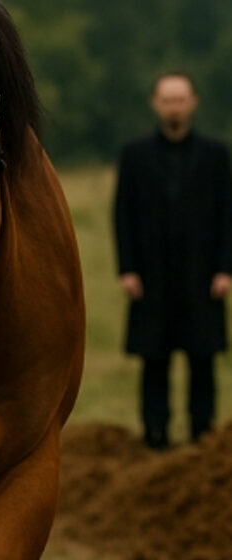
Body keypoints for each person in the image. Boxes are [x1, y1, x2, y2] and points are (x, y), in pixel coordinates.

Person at [114, 72, 232, 449]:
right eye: (167, 100)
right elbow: (123, 215)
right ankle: (155, 434)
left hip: (203, 275)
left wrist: (225, 268)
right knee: (154, 358)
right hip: (151, 276)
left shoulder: (216, 156)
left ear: (193, 102)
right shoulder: (134, 156)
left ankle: (203, 435)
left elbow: (228, 215)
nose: (174, 108)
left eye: (180, 100)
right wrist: (127, 269)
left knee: (202, 357)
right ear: (156, 104)